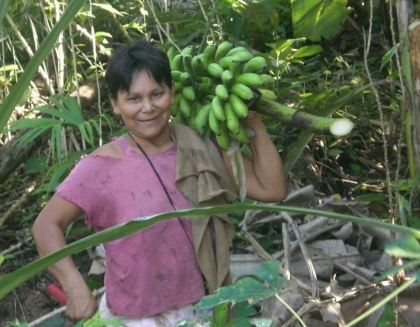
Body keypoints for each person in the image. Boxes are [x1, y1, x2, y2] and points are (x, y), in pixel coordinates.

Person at [32, 39, 288, 325]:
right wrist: (74, 284)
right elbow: (45, 225)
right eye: (133, 99)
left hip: (206, 309)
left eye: (157, 94)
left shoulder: (200, 148)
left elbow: (272, 188)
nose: (148, 108)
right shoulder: (99, 168)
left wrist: (253, 121)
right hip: (135, 318)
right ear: (115, 104)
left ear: (172, 92)